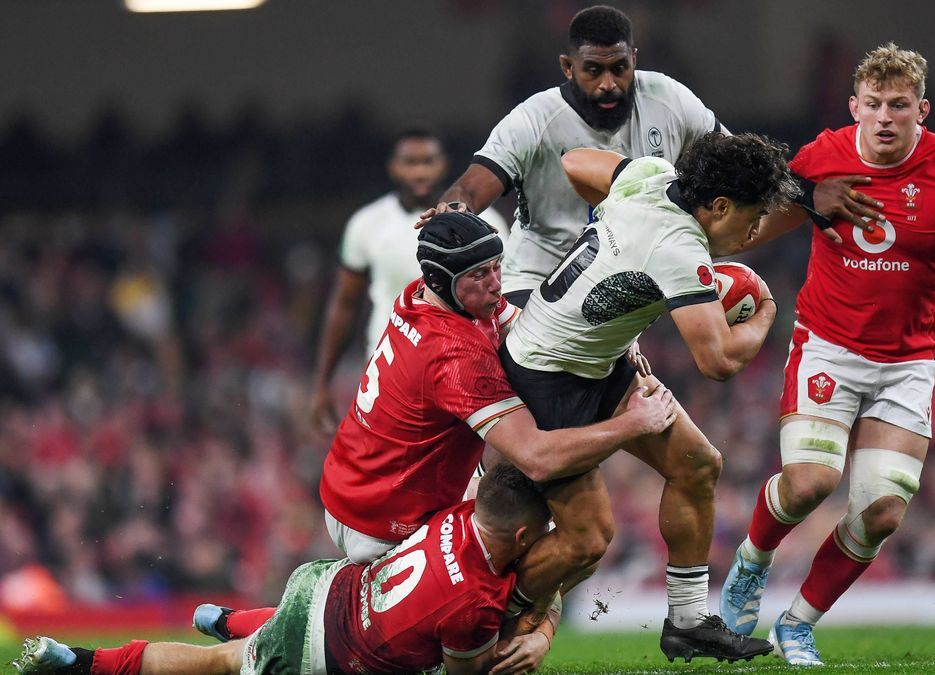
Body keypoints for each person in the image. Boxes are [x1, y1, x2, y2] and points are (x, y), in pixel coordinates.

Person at [192, 212, 677, 654]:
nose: (495, 285)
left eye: (496, 267)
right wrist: (632, 422)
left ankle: (236, 621)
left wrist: (608, 343)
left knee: (556, 535)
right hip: (384, 522)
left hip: (361, 488)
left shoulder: (421, 296)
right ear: (444, 280)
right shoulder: (455, 355)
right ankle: (503, 633)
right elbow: (538, 458)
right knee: (437, 620)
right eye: (479, 275)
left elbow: (517, 322)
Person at [718, 43, 935, 666]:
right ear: (854, 108)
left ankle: (798, 623)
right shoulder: (822, 156)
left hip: (906, 364)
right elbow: (756, 230)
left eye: (900, 105)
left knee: (883, 512)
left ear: (922, 110)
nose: (886, 117)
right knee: (812, 482)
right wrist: (804, 203)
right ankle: (751, 562)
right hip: (828, 347)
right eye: (874, 105)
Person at [500, 131, 793, 663]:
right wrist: (768, 311)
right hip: (549, 375)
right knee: (587, 541)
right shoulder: (679, 248)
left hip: (593, 356)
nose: (753, 232)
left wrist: (611, 250)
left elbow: (575, 161)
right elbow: (720, 362)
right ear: (719, 205)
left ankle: (685, 622)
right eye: (751, 217)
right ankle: (494, 616)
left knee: (697, 465)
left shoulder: (649, 176)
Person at [16, 464, 561, 675]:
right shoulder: (474, 603)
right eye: (542, 533)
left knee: (259, 633)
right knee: (222, 666)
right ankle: (81, 662)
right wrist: (541, 633)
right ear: (519, 537)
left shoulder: (462, 510)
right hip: (320, 644)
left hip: (324, 582)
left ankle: (227, 618)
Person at [424, 4, 725, 308]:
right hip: (535, 284)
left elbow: (733, 159)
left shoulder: (668, 98)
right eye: (593, 71)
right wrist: (455, 209)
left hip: (617, 288)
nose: (608, 84)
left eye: (619, 68)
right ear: (568, 67)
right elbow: (472, 186)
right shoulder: (535, 119)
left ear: (633, 59)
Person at [310, 131, 509, 434]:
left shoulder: (483, 224)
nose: (420, 171)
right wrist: (322, 382)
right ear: (393, 167)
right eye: (410, 162)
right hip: (392, 376)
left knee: (466, 474)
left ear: (443, 165)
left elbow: (500, 297)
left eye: (428, 161)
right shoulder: (367, 224)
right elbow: (345, 305)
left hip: (464, 372)